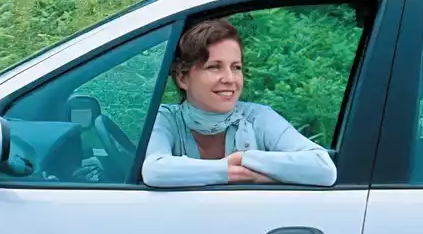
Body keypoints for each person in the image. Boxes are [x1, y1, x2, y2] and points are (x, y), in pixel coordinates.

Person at [141, 17, 338, 188]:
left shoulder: (258, 117)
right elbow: (154, 170)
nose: (230, 79)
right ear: (183, 78)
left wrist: (245, 158)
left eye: (236, 67)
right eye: (214, 67)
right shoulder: (167, 118)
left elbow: (323, 168)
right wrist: (229, 171)